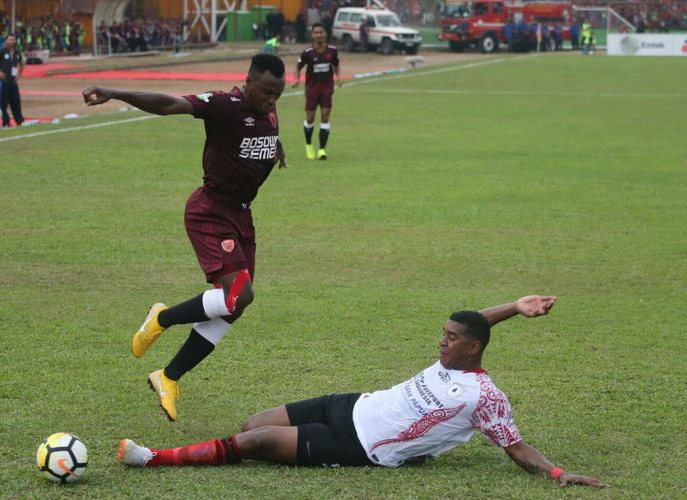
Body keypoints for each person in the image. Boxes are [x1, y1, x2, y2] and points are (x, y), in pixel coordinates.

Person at [117, 295, 604, 489]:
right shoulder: (453, 355)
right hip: (351, 404)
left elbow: (515, 446)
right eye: (443, 333)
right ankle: (209, 450)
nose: (442, 340)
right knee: (252, 422)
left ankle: (155, 459)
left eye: (451, 338)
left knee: (255, 443)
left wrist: (558, 472)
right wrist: (516, 308)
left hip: (362, 445)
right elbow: (477, 322)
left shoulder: (485, 397)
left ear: (472, 348)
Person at [81, 54, 287, 422]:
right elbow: (168, 104)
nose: (272, 99)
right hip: (211, 211)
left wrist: (276, 149)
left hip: (241, 214)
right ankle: (162, 319)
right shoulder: (225, 105)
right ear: (249, 81)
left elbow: (266, 132)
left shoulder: (268, 112)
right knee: (239, 293)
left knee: (235, 307)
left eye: (278, 93)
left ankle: (168, 376)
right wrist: (113, 92)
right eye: (266, 91)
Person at [292, 22, 342, 161]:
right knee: (310, 117)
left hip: (327, 88)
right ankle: (309, 145)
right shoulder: (308, 52)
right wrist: (296, 79)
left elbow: (336, 65)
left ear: (325, 34)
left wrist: (338, 77)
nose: (319, 34)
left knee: (325, 116)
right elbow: (298, 66)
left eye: (321, 32)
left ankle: (322, 149)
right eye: (316, 32)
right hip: (312, 89)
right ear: (312, 35)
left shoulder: (332, 50)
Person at [0, 33, 25, 127]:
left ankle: (19, 120)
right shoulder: (2, 51)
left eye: (13, 40)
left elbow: (22, 63)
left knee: (16, 101)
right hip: (4, 81)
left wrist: (19, 74)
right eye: (9, 40)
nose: (11, 42)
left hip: (13, 81)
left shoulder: (17, 52)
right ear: (6, 41)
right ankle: (6, 122)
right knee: (3, 103)